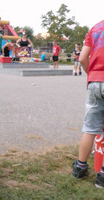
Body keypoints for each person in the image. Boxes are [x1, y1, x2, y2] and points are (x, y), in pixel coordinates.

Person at [71, 20, 104, 188]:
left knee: (90, 128)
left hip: (95, 81)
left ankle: (80, 167)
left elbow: (83, 57)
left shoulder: (96, 28)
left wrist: (91, 76)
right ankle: (102, 177)